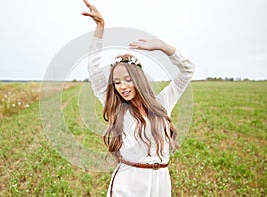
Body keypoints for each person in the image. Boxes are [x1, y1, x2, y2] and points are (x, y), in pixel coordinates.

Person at [82, 0, 195, 196]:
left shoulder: (162, 103)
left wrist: (163, 46)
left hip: (161, 183)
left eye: (127, 79)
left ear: (139, 79)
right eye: (117, 82)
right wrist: (100, 28)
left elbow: (187, 70)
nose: (122, 86)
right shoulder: (117, 109)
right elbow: (93, 71)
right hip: (129, 183)